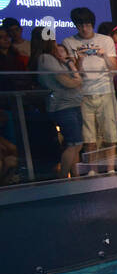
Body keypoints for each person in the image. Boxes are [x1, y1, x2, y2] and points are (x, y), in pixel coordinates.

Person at [62, 8, 117, 175]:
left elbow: (114, 69)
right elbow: (75, 73)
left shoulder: (106, 40)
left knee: (110, 133)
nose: (84, 29)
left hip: (105, 90)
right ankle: (92, 170)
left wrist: (104, 56)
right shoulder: (69, 41)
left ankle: (110, 168)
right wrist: (80, 59)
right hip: (83, 93)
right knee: (89, 136)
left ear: (92, 24)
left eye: (87, 25)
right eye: (80, 25)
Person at [32, 36, 83, 179]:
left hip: (73, 104)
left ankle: (75, 176)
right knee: (74, 143)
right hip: (62, 106)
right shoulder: (45, 58)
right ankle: (62, 178)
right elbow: (67, 81)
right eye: (53, 41)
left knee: (76, 144)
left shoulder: (56, 60)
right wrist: (77, 80)